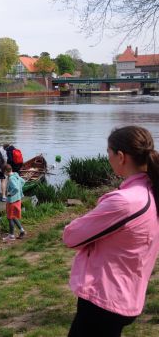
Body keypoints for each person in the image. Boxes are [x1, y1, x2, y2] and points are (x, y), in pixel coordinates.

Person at [63, 126, 159, 337]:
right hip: (128, 293)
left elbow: (71, 237)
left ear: (121, 157)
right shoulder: (151, 191)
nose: (108, 158)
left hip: (104, 299)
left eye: (109, 153)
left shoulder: (124, 201)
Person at [2, 164, 26, 241]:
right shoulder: (16, 175)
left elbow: (16, 189)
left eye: (4, 172)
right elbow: (23, 182)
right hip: (18, 199)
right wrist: (19, 189)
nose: (4, 174)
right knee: (14, 216)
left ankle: (11, 236)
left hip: (12, 201)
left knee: (10, 218)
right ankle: (22, 230)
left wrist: (9, 194)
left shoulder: (11, 179)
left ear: (6, 171)